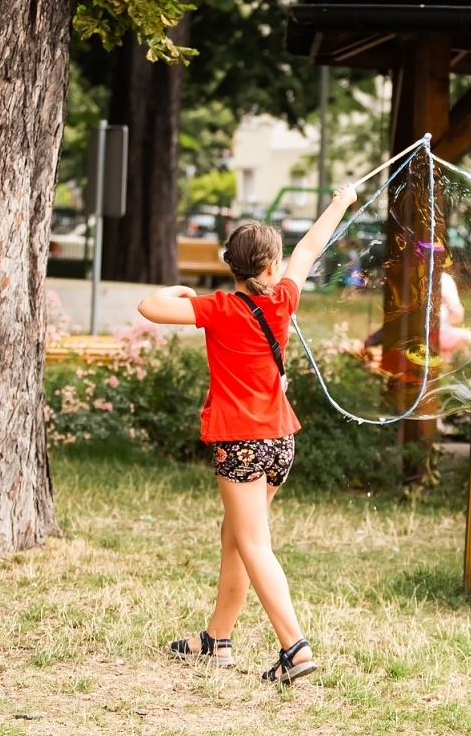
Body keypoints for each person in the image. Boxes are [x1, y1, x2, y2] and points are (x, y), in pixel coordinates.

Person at [137, 184, 358, 684]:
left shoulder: (218, 308)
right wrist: (340, 203)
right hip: (280, 441)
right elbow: (310, 247)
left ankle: (295, 648)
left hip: (240, 442)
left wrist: (180, 292)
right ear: (272, 266)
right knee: (236, 536)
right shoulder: (284, 299)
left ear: (232, 267)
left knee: (254, 542)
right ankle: (217, 639)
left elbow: (150, 306)